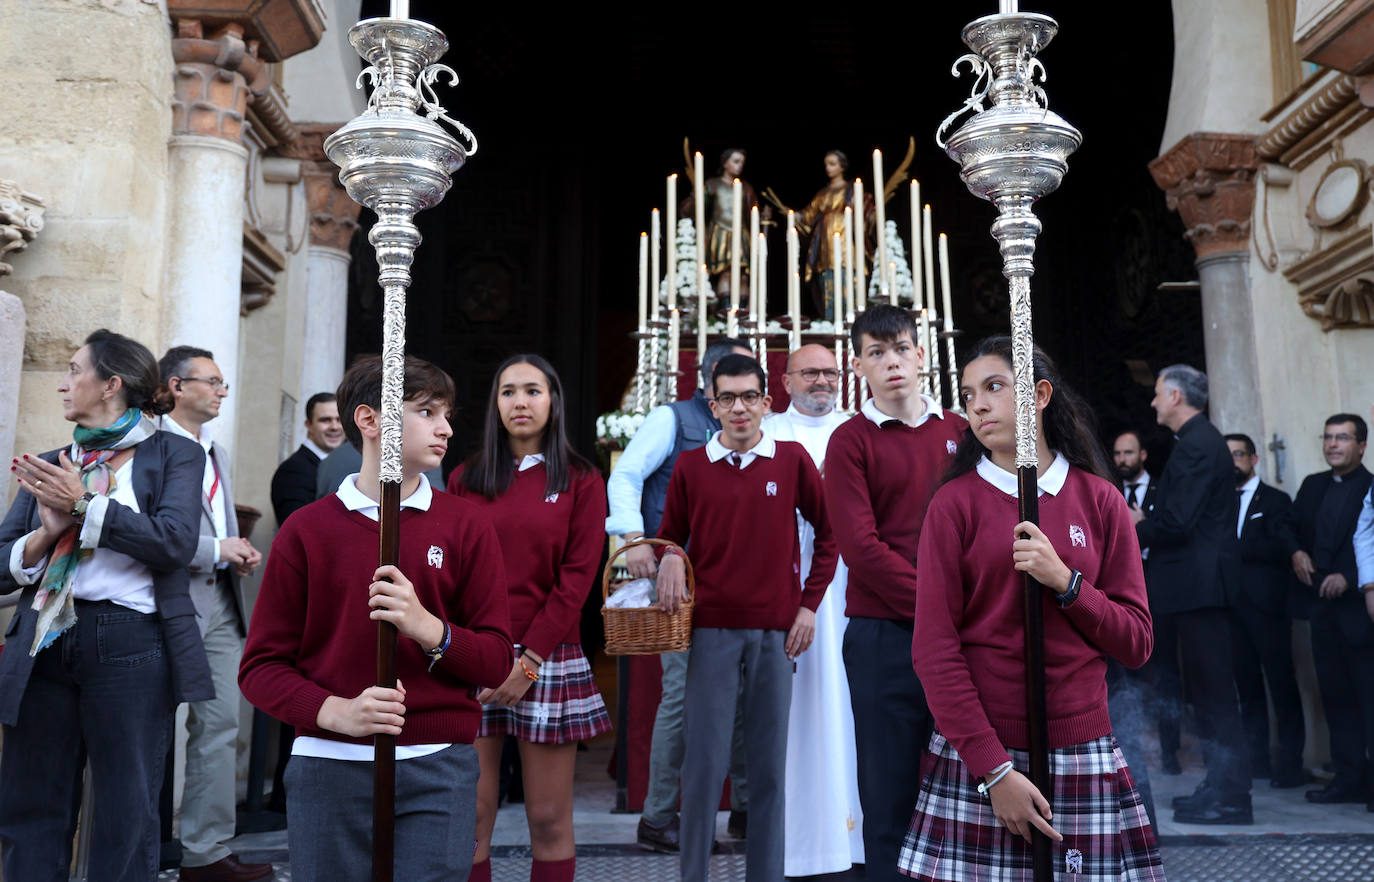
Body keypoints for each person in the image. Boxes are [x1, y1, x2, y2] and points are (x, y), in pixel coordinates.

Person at [239, 355, 512, 882]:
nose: (446, 428)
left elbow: (497, 660)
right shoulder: (307, 530)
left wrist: (429, 628)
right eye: (427, 411)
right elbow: (261, 668)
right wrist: (333, 711)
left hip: (438, 764)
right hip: (328, 766)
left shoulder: (467, 526)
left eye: (447, 414)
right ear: (369, 421)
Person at [901, 336, 1162, 881]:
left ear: (1039, 394)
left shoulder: (1098, 499)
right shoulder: (955, 504)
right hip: (983, 751)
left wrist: (1067, 583)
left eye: (994, 387)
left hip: (1079, 745)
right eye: (968, 394)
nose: (978, 405)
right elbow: (934, 650)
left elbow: (1136, 642)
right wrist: (995, 772)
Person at [0, 328, 212, 881]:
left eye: (74, 370)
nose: (63, 384)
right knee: (30, 806)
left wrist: (85, 506)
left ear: (111, 384)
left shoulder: (176, 455)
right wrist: (45, 536)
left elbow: (173, 543)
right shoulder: (51, 462)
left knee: (126, 810)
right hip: (43, 638)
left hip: (131, 642)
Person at [656, 353, 837, 882]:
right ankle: (693, 875)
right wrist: (669, 554)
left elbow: (830, 535)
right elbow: (671, 533)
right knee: (704, 766)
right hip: (710, 631)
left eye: (749, 397)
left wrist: (808, 605)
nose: (739, 408)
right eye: (727, 398)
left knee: (768, 771)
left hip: (777, 634)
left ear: (767, 402)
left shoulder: (792, 460)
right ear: (713, 407)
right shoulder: (692, 467)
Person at [448, 354, 612, 882]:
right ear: (495, 405)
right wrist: (474, 655)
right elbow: (452, 574)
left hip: (550, 655)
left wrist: (530, 661)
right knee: (471, 813)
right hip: (475, 657)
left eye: (533, 391)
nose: (520, 402)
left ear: (553, 401)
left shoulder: (583, 480)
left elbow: (579, 575)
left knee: (547, 816)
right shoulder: (464, 478)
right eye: (508, 392)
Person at [823, 304, 965, 882]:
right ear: (859, 365)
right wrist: (940, 610)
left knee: (968, 784)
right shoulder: (849, 440)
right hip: (886, 639)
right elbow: (861, 549)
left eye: (901, 348)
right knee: (889, 794)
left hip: (963, 637)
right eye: (877, 353)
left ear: (921, 354)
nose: (892, 362)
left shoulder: (960, 431)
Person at [604, 336, 753, 852]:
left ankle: (748, 809)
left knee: (741, 698)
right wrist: (631, 539)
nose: (734, 398)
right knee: (684, 701)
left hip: (737, 579)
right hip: (678, 582)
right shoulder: (672, 420)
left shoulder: (754, 430)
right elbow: (625, 475)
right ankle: (659, 816)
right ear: (705, 382)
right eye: (722, 382)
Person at [158, 345, 269, 882]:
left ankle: (206, 851)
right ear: (176, 386)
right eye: (213, 381)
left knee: (221, 724)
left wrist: (236, 552)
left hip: (222, 606)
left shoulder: (216, 453)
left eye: (224, 382)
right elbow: (144, 532)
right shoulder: (150, 447)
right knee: (149, 731)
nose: (223, 391)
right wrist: (214, 549)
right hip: (164, 605)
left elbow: (217, 528)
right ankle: (141, 842)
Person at [1131, 364, 1252, 824]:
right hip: (1191, 590)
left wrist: (1138, 526)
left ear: (1178, 396)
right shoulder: (1194, 443)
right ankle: (1218, 785)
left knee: (1216, 696)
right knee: (1204, 695)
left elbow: (1178, 521)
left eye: (1159, 394)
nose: (1154, 402)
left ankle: (1232, 797)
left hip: (1202, 589)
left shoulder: (1199, 445)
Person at [765, 344, 864, 877]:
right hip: (793, 589)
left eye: (829, 371)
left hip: (857, 588)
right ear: (786, 381)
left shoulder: (859, 431)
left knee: (853, 710)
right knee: (798, 718)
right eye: (810, 373)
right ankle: (804, 844)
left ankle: (861, 840)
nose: (821, 381)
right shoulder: (768, 433)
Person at [1291, 413, 1373, 806]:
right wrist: (1296, 551)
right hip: (1321, 611)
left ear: (1362, 445)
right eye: (1328, 437)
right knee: (1336, 698)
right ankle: (1348, 779)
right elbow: (1288, 526)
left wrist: (1350, 576)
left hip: (1360, 612)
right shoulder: (1312, 486)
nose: (1333, 445)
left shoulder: (1371, 487)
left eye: (1342, 438)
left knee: (1368, 699)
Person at [1221, 432, 1306, 789]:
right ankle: (1257, 762)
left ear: (1254, 459)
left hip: (1268, 610)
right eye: (1228, 457)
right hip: (1232, 610)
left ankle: (1290, 765)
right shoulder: (1219, 502)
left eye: (1239, 455)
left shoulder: (1275, 499)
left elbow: (1281, 545)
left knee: (1282, 687)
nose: (1234, 462)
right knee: (1248, 689)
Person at [1114, 429, 1179, 777]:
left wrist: (1143, 525)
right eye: (1118, 454)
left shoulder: (1163, 490)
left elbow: (1175, 529)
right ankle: (1130, 749)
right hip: (1120, 597)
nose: (1122, 459)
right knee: (1126, 678)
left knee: (1165, 673)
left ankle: (1170, 752)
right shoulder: (1107, 492)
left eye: (1129, 453)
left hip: (1160, 591)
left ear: (1142, 456)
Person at [794, 150, 873, 318]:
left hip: (847, 242)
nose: (828, 168)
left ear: (842, 166)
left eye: (832, 164)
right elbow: (808, 215)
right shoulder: (822, 194)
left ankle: (850, 318)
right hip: (825, 245)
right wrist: (794, 216)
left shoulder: (851, 189)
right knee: (827, 281)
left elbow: (865, 213)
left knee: (848, 279)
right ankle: (830, 319)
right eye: (826, 165)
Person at [270, 392, 343, 526]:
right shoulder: (293, 470)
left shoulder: (338, 466)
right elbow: (299, 528)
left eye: (339, 420)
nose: (335, 427)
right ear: (308, 424)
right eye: (325, 420)